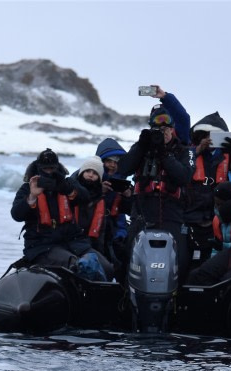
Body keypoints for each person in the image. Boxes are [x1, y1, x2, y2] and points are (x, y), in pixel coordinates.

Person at [117, 103, 195, 280]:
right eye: (158, 129)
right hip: (142, 213)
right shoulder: (143, 148)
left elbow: (184, 176)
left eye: (166, 129)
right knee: (129, 258)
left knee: (179, 260)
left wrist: (164, 154)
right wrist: (141, 146)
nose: (163, 133)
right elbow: (123, 168)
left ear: (173, 129)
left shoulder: (184, 151)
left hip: (172, 214)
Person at [10, 148, 108, 281]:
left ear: (57, 168)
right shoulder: (27, 188)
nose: (49, 172)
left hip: (73, 242)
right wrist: (32, 196)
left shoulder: (66, 184)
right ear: (38, 168)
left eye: (52, 169)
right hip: (42, 246)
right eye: (45, 169)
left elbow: (85, 197)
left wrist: (67, 189)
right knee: (77, 265)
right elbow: (16, 215)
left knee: (106, 267)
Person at [185, 112, 231, 274]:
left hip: (219, 219)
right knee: (190, 263)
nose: (210, 139)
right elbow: (181, 170)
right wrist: (198, 150)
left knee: (214, 262)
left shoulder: (230, 156)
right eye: (206, 135)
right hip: (191, 218)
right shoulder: (190, 153)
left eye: (215, 136)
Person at [70, 157, 115, 281]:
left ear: (99, 178)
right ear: (81, 173)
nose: (90, 175)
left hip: (89, 245)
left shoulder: (100, 200)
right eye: (88, 171)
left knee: (108, 269)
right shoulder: (70, 194)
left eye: (95, 173)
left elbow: (101, 233)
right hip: (69, 243)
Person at [96, 137, 132, 282]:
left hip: (117, 228)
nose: (112, 165)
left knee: (122, 262)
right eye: (108, 161)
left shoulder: (124, 181)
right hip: (95, 229)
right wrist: (99, 191)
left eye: (116, 162)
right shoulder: (89, 176)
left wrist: (128, 196)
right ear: (101, 162)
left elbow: (133, 211)